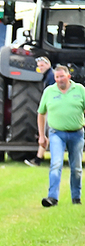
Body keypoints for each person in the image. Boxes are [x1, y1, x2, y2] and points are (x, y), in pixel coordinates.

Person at [37, 65, 85, 207]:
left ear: (68, 76)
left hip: (76, 133)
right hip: (56, 133)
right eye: (56, 77)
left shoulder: (80, 90)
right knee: (56, 164)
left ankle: (76, 198)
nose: (59, 80)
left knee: (76, 167)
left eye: (61, 76)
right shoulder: (49, 92)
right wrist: (41, 135)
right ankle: (52, 198)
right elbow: (41, 113)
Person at [25, 56, 57, 167]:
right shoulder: (48, 76)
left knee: (48, 133)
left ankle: (39, 160)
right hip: (51, 109)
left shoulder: (51, 76)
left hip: (52, 110)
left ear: (48, 64)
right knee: (47, 134)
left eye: (42, 65)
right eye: (39, 66)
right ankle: (38, 159)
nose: (40, 68)